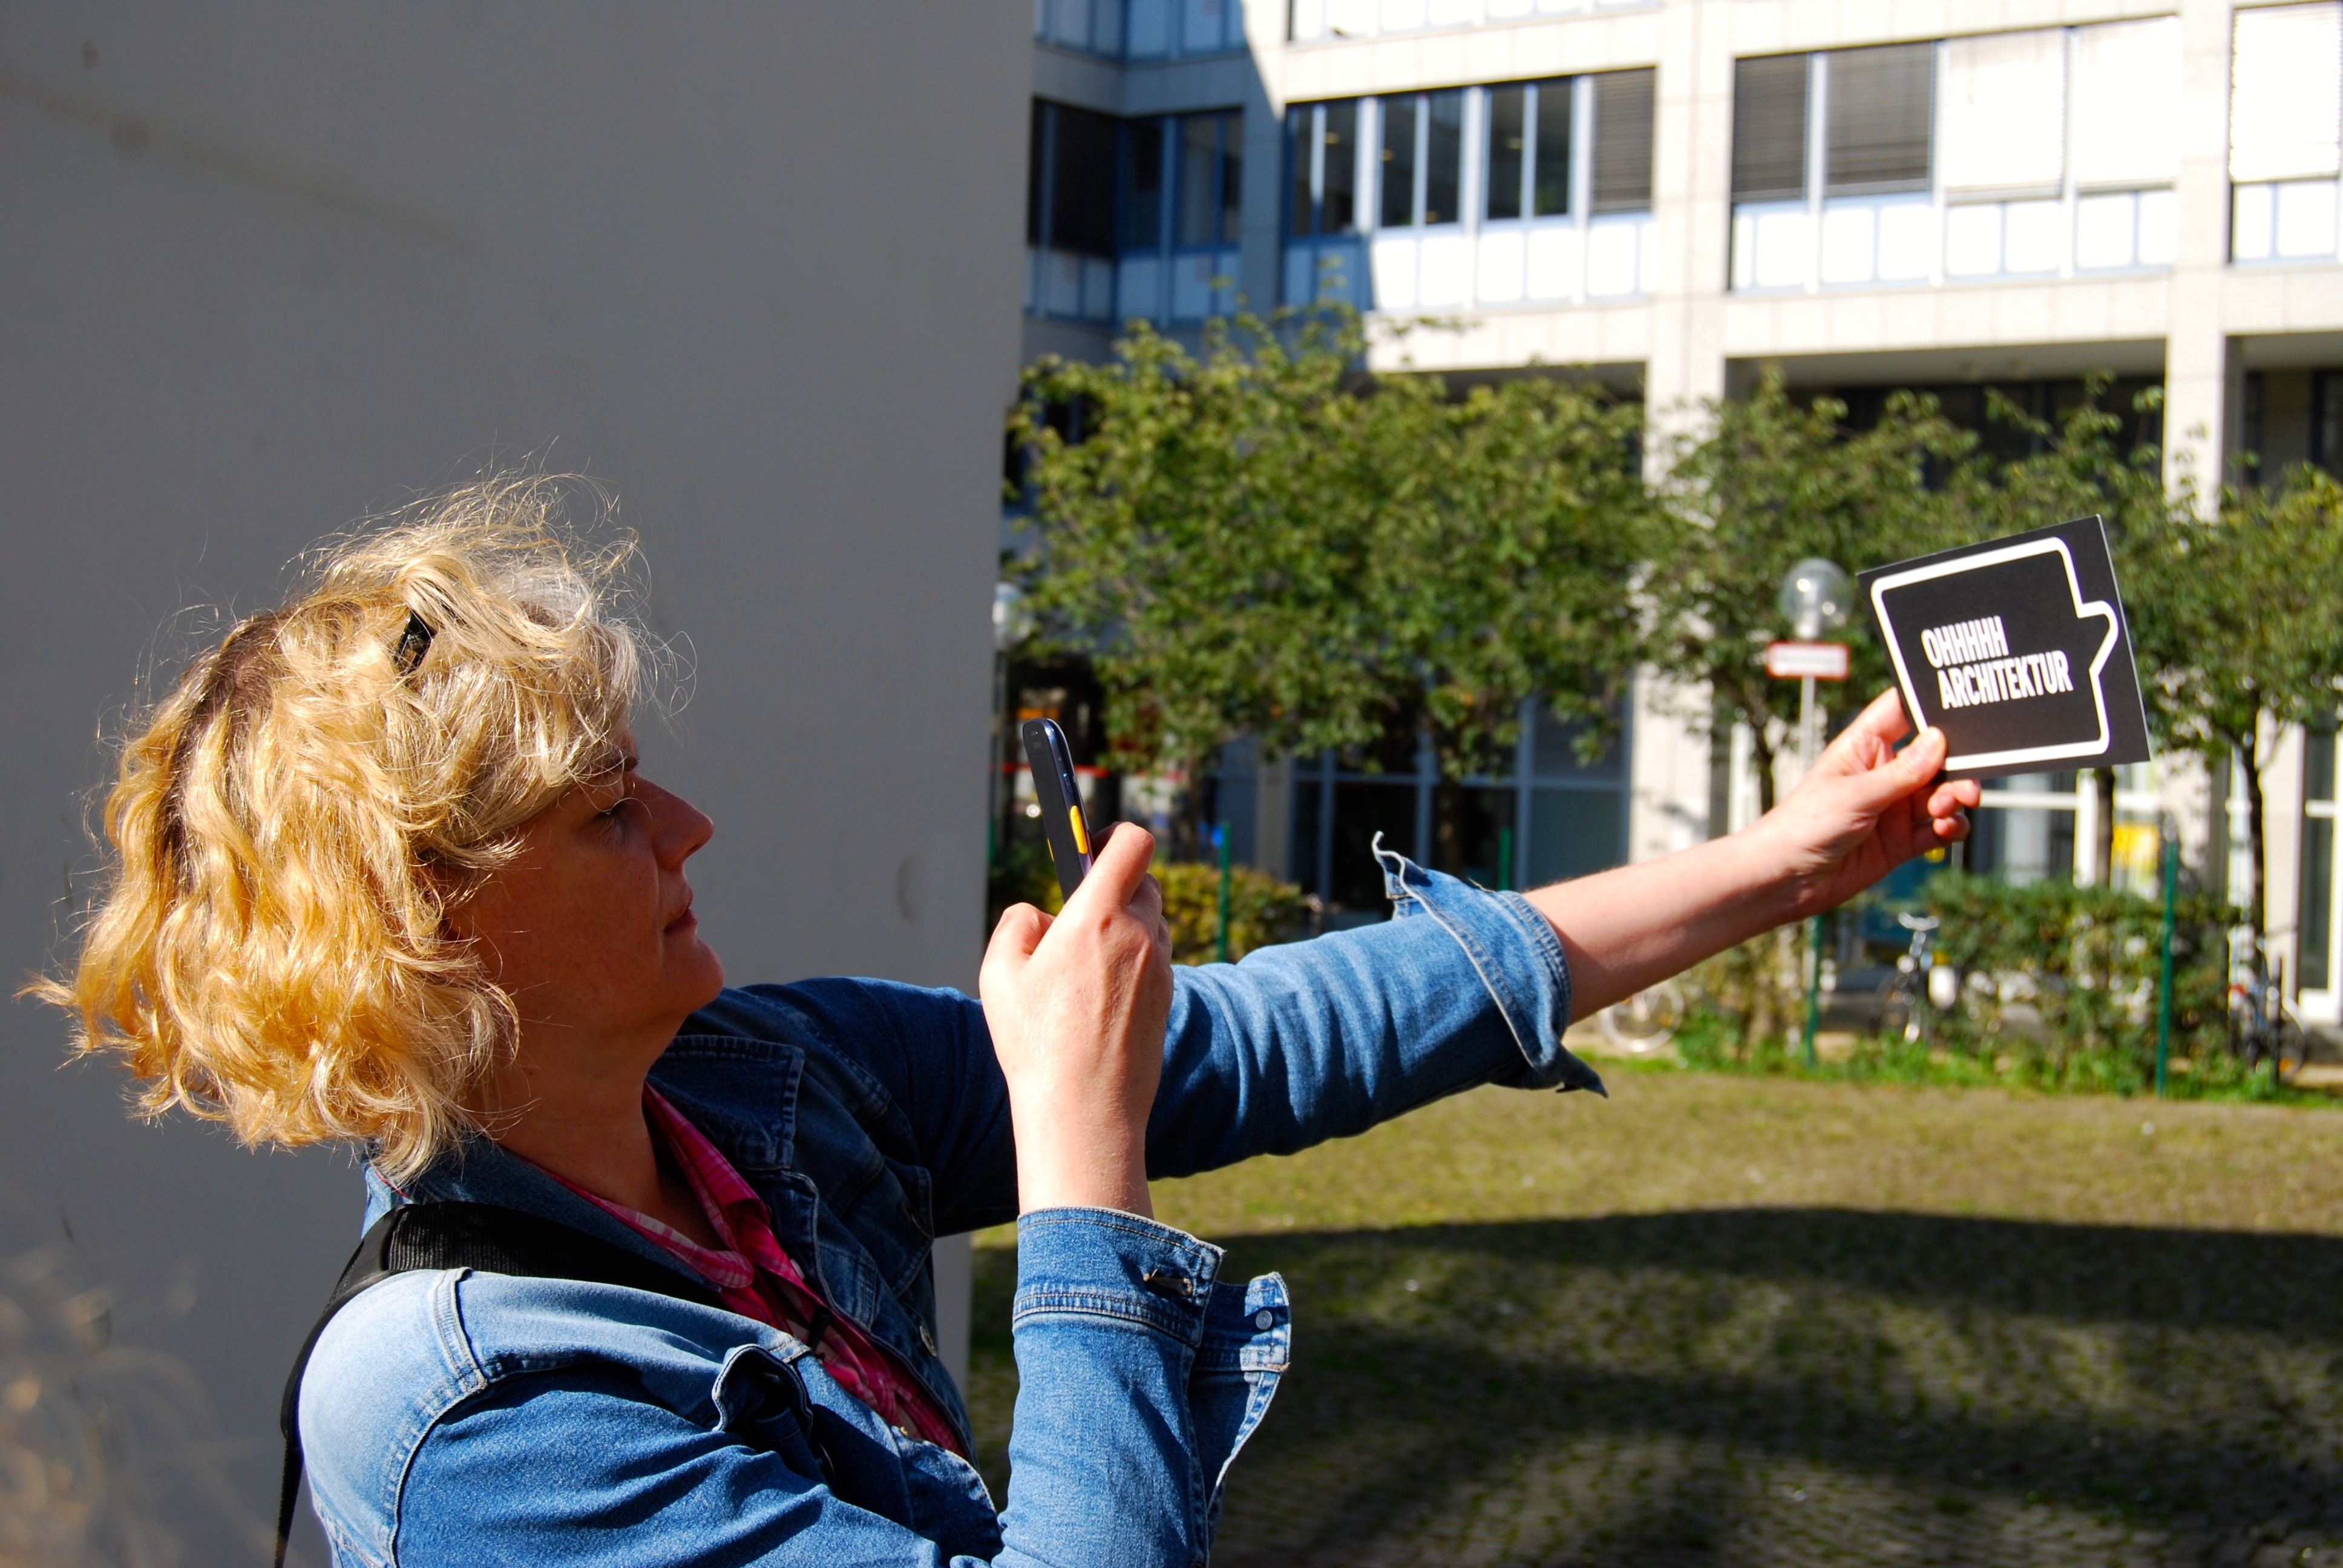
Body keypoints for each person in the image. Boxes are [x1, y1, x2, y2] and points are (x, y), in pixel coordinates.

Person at [37, 478, 1977, 1567]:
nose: (690, 828)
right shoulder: (475, 1412)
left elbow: (1272, 1035)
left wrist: (1783, 863)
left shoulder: (764, 1083)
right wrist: (1081, 1164)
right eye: (609, 810)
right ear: (432, 927)